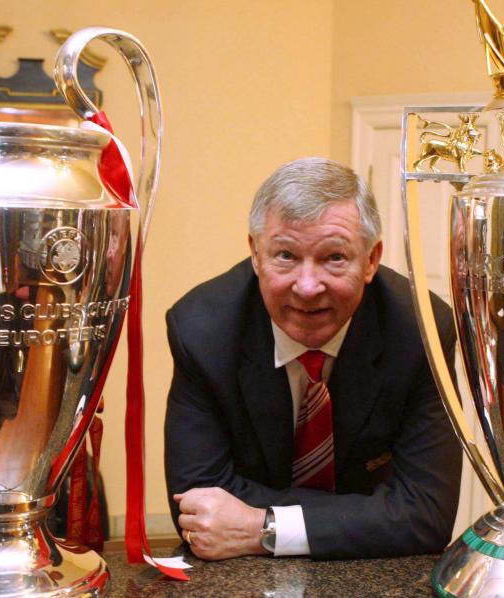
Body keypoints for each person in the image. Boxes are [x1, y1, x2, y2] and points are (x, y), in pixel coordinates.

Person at [164, 157, 461, 561]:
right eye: (285, 255)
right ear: (255, 253)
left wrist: (263, 528)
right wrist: (370, 513)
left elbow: (426, 514)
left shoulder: (421, 329)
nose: (306, 287)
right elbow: (199, 508)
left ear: (372, 259)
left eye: (334, 258)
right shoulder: (201, 332)